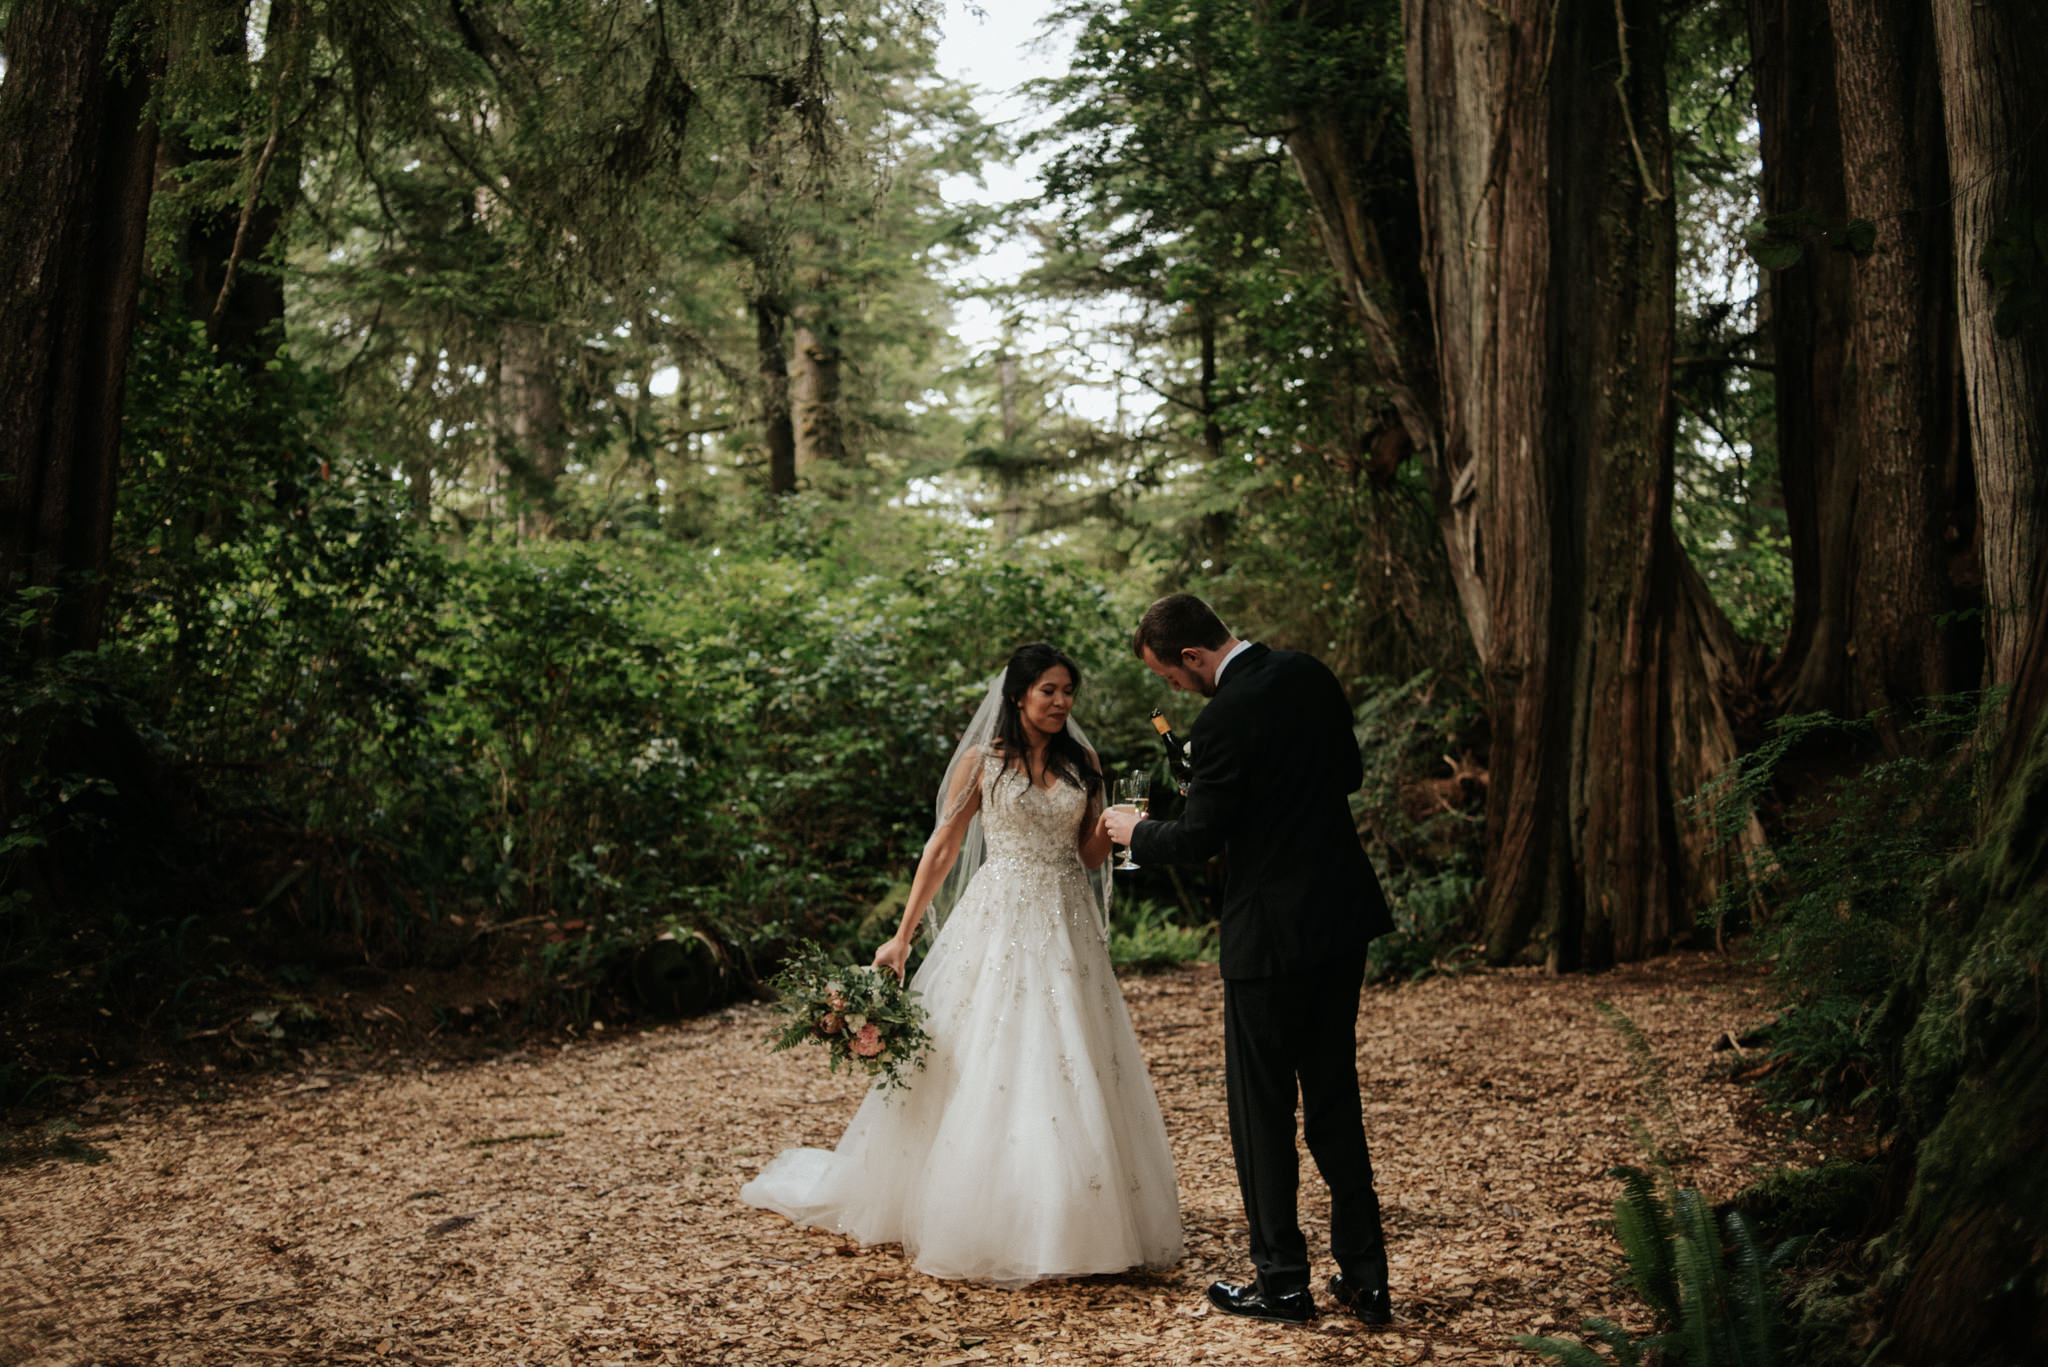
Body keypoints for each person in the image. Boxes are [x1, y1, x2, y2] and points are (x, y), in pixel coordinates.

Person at [740, 642, 1186, 1286]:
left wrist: (1124, 825)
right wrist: (902, 936)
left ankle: (1072, 1208)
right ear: (1017, 695)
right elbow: (945, 846)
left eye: (1068, 693)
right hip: (998, 916)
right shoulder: (983, 763)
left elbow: (1089, 858)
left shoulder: (1084, 762)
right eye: (1049, 692)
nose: (1061, 703)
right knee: (989, 1050)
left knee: (1070, 1054)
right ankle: (984, 1208)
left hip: (1065, 922)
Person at [1102, 594, 1395, 1326]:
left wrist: (1134, 831)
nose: (1176, 691)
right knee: (1335, 1101)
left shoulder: (1223, 717)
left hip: (1270, 937)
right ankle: (1365, 1278)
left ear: (1193, 657)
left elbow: (1199, 837)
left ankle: (1283, 1282)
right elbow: (1349, 776)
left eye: (1171, 677)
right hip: (1341, 920)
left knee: (1261, 1111)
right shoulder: (1309, 674)